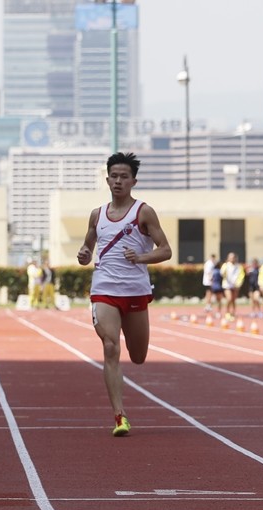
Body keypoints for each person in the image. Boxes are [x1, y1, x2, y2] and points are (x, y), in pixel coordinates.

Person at [76, 152, 172, 436]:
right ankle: (119, 416)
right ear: (107, 180)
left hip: (135, 291)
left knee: (138, 355)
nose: (118, 181)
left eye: (124, 177)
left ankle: (121, 410)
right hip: (104, 289)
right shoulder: (97, 215)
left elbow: (166, 250)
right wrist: (83, 255)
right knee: (110, 347)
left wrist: (141, 257)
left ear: (133, 181)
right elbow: (86, 251)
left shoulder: (143, 212)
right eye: (114, 176)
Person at [220, 252, 245, 320]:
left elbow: (241, 276)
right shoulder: (225, 265)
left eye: (233, 257)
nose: (232, 259)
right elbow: (222, 274)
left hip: (235, 286)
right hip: (227, 285)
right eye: (230, 257)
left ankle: (233, 313)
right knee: (229, 299)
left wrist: (238, 284)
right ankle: (227, 313)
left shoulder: (239, 266)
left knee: (233, 300)